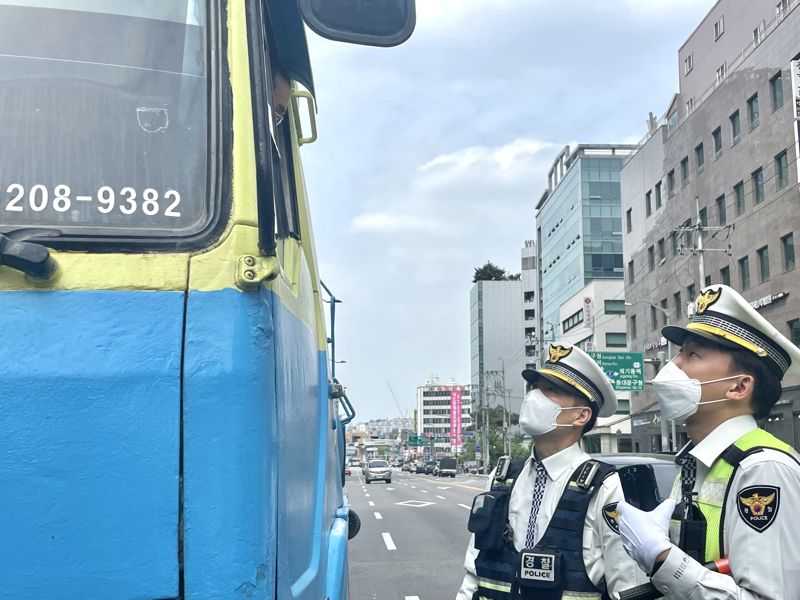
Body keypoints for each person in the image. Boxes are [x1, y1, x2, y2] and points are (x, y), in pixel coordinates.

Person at [617, 284, 800, 599]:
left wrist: (664, 560)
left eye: (692, 355)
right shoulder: (695, 463)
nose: (674, 365)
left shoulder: (762, 470)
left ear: (739, 387)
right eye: (679, 352)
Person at [456, 343, 648, 600]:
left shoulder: (606, 488)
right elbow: (474, 574)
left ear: (580, 415)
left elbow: (627, 588)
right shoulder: (501, 479)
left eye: (551, 391)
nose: (534, 397)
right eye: (535, 388)